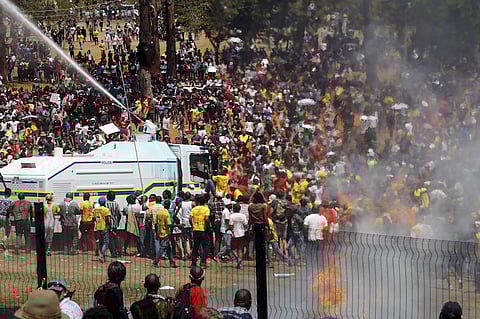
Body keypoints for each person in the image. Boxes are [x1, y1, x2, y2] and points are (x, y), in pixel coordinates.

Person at [153, 199, 177, 268]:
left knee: (168, 248)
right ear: (169, 205)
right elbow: (168, 224)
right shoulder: (167, 213)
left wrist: (157, 233)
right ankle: (155, 262)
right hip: (165, 233)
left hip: (160, 232)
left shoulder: (159, 212)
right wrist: (178, 225)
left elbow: (156, 223)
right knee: (162, 248)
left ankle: (172, 262)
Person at [190, 194, 210, 268]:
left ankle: (193, 263)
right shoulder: (206, 209)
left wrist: (192, 225)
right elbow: (207, 219)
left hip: (196, 229)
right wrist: (208, 226)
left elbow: (190, 218)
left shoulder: (194, 209)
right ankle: (203, 263)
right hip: (203, 229)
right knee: (205, 246)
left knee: (196, 247)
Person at [229, 203, 248, 269]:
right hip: (242, 233)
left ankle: (238, 259)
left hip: (235, 234)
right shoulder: (243, 216)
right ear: (240, 209)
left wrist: (230, 229)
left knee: (233, 249)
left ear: (233, 209)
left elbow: (231, 225)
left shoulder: (232, 216)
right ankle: (240, 264)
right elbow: (245, 224)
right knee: (240, 249)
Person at [94, 197, 112, 263]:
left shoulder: (96, 210)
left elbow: (94, 218)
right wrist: (109, 225)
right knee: (106, 242)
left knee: (101, 242)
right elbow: (107, 219)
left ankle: (102, 256)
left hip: (98, 227)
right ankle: (102, 255)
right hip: (104, 227)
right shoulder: (106, 209)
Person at [106, 191, 122, 258]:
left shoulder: (106, 204)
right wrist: (117, 222)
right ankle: (118, 251)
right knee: (115, 237)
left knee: (110, 238)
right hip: (115, 223)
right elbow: (119, 214)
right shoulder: (116, 204)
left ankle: (113, 252)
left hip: (108, 223)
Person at [0, 187, 13, 255]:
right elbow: (11, 209)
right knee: (7, 232)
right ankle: (2, 241)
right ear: (9, 193)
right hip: (6, 217)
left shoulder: (0, 198)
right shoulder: (11, 200)